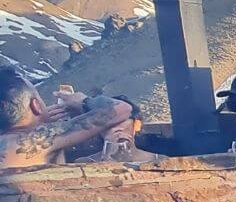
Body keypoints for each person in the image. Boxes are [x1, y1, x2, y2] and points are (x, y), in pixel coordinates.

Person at [0, 68, 132, 170]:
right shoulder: (36, 140)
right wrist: (84, 102)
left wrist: (42, 121)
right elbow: (121, 109)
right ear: (36, 106)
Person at [74, 95, 160, 163]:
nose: (115, 128)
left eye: (121, 121)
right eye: (109, 123)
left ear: (137, 124)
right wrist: (108, 153)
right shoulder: (85, 163)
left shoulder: (159, 160)